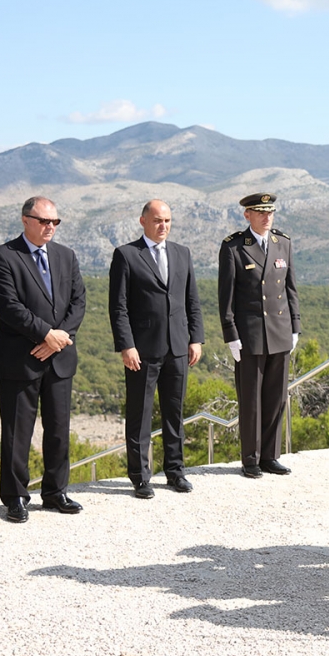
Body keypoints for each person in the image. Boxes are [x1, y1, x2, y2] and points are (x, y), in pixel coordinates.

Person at [0, 196, 86, 523]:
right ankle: (15, 497)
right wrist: (46, 334)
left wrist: (57, 341)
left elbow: (78, 302)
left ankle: (56, 492)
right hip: (21, 360)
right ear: (25, 219)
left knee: (58, 429)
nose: (50, 227)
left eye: (55, 222)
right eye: (44, 221)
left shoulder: (66, 256)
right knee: (17, 432)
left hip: (59, 358)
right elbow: (10, 307)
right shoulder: (3, 256)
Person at [109, 199, 205, 499]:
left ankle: (175, 471)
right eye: (157, 220)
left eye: (167, 221)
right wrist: (126, 345)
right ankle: (140, 477)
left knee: (174, 414)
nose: (163, 226)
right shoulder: (126, 255)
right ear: (143, 221)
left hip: (177, 347)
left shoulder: (181, 253)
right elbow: (119, 307)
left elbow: (192, 301)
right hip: (143, 350)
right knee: (140, 415)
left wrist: (195, 338)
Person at [218, 192, 300, 479]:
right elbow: (226, 296)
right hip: (250, 335)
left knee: (276, 398)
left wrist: (295, 327)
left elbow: (290, 289)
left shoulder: (283, 243)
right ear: (247, 215)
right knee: (251, 400)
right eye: (260, 212)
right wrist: (231, 335)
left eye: (270, 212)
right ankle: (250, 459)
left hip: (279, 332)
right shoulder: (235, 247)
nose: (267, 217)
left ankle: (270, 456)